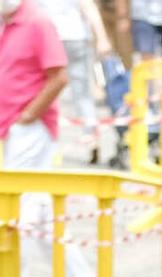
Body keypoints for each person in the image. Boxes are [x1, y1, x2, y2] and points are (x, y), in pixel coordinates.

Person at [0, 0, 102, 277]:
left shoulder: (38, 23)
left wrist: (30, 115)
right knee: (39, 215)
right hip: (10, 128)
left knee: (21, 210)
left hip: (30, 129)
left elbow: (59, 76)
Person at [46, 0, 115, 162]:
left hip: (49, 37)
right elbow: (88, 6)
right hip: (76, 36)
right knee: (82, 92)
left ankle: (48, 140)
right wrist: (102, 37)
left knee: (47, 91)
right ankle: (91, 136)